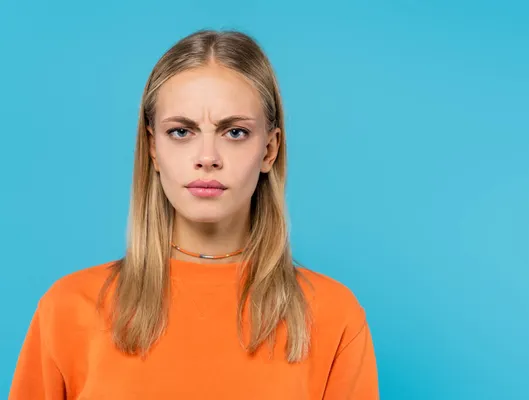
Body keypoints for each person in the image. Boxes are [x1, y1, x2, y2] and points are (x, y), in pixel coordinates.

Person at [9, 29, 379, 399]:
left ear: (269, 150)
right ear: (153, 148)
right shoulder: (68, 308)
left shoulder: (332, 315)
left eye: (234, 132)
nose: (207, 157)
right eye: (181, 131)